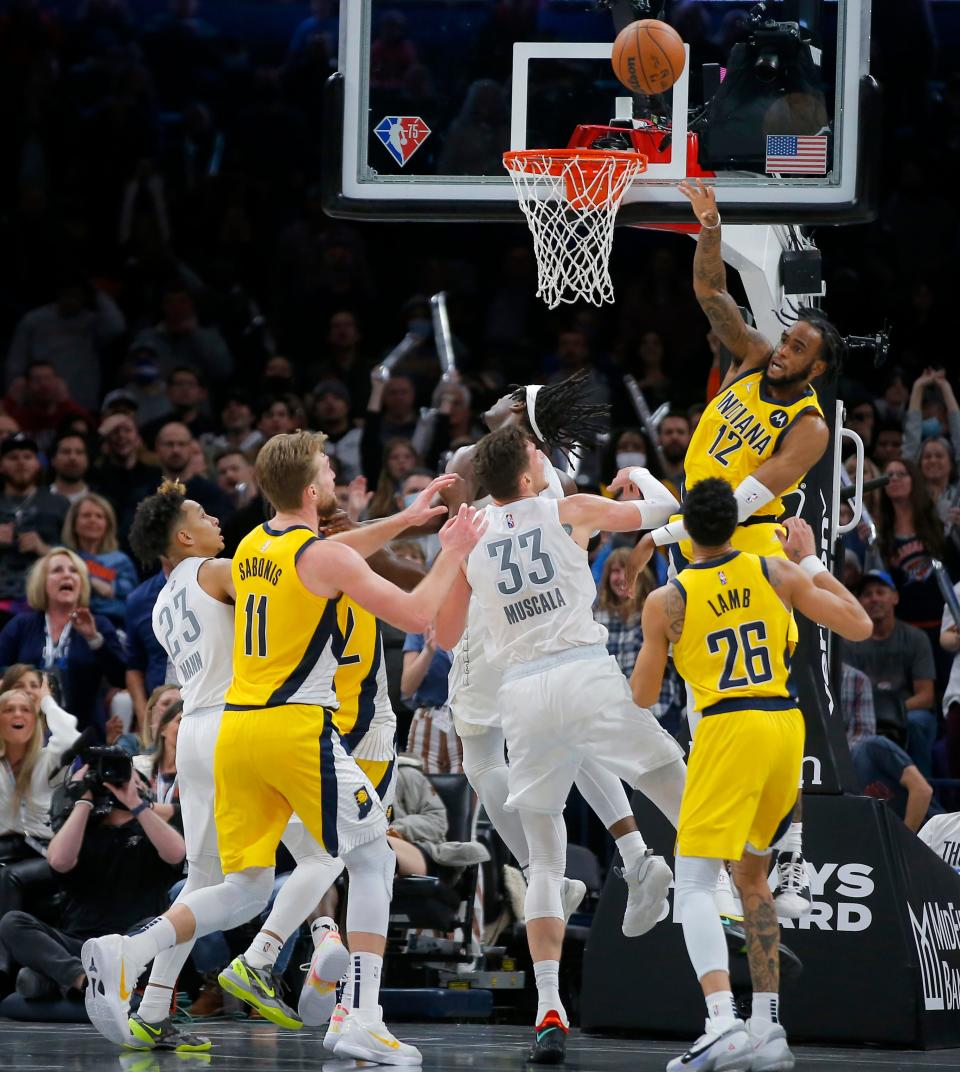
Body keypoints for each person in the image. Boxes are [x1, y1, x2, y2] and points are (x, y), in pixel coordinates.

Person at [82, 431, 485, 1064]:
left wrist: (404, 519)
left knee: (239, 884)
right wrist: (451, 551)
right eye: (327, 470)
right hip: (291, 727)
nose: (332, 476)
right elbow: (411, 613)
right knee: (372, 856)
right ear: (311, 489)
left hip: (229, 729)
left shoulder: (248, 548)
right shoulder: (247, 562)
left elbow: (324, 557)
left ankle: (131, 951)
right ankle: (363, 1015)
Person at [617, 178, 844, 918]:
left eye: (799, 349)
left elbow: (750, 494)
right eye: (787, 339)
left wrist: (667, 529)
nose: (783, 352)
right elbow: (711, 290)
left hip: (741, 546)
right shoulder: (750, 356)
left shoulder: (810, 425)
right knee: (708, 699)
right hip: (701, 534)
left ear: (817, 369)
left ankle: (792, 858)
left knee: (769, 696)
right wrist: (707, 225)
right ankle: (728, 863)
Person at [436, 425, 688, 1063]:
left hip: (521, 695)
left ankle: (550, 1005)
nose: (544, 459)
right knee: (670, 775)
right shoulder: (566, 509)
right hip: (582, 671)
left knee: (545, 864)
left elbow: (442, 631)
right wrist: (641, 479)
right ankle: (733, 896)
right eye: (536, 457)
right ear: (526, 478)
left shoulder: (474, 538)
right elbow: (663, 513)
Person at [629, 478, 871, 1072]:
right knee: (754, 880)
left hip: (727, 730)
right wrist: (808, 558)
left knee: (692, 883)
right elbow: (859, 625)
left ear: (686, 531)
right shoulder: (775, 573)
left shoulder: (668, 599)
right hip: (785, 729)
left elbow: (641, 696)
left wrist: (658, 639)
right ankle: (768, 1029)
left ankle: (721, 1022)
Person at [440, 371, 663, 964]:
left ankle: (548, 871)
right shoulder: (552, 479)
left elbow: (462, 477)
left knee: (480, 756)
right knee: (575, 729)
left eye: (510, 404)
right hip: (545, 626)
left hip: (495, 621)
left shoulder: (481, 460)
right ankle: (637, 854)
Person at [0, 763, 187, 1011]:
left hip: (129, 947)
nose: (113, 788)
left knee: (157, 926)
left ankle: (59, 983)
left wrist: (136, 804)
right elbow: (58, 860)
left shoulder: (151, 830)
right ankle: (85, 983)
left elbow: (177, 853)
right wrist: (83, 801)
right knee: (13, 922)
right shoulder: (81, 831)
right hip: (81, 947)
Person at [0, 548, 125, 738]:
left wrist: (94, 639)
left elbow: (121, 677)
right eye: (57, 570)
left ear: (81, 583)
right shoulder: (21, 625)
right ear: (42, 583)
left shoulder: (99, 624)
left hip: (83, 736)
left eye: (74, 571)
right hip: (27, 737)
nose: (67, 575)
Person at [846, 569, 940, 778]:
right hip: (863, 713)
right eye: (867, 594)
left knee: (918, 722)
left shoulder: (916, 638)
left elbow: (926, 696)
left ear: (895, 597)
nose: (874, 599)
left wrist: (890, 712)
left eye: (880, 592)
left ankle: (924, 790)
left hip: (907, 712)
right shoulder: (850, 643)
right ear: (859, 601)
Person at [0, 681, 78, 926]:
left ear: (35, 720)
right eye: (8, 709)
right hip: (3, 849)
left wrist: (45, 700)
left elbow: (69, 737)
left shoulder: (48, 761)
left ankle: (2, 961)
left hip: (41, 852)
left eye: (25, 709)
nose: (17, 715)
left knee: (7, 877)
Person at [0, 433, 70, 621]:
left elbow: (80, 555)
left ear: (38, 464)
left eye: (27, 457)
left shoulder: (58, 504)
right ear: (1, 465)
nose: (21, 462)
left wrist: (45, 549)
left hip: (44, 601)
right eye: (13, 457)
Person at [62, 494, 139, 625]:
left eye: (99, 516)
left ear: (107, 525)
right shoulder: (64, 557)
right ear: (74, 524)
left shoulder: (120, 560)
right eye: (86, 515)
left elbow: (131, 595)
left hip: (114, 623)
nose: (93, 520)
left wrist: (111, 588)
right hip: (70, 622)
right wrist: (92, 581)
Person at [850, 734, 939, 832]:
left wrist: (905, 840)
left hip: (934, 835)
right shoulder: (842, 780)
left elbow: (922, 791)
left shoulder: (871, 748)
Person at [48, 432, 91, 504]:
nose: (72, 457)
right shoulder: (37, 499)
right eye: (66, 452)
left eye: (79, 452)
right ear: (53, 460)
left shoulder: (102, 499)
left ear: (87, 460)